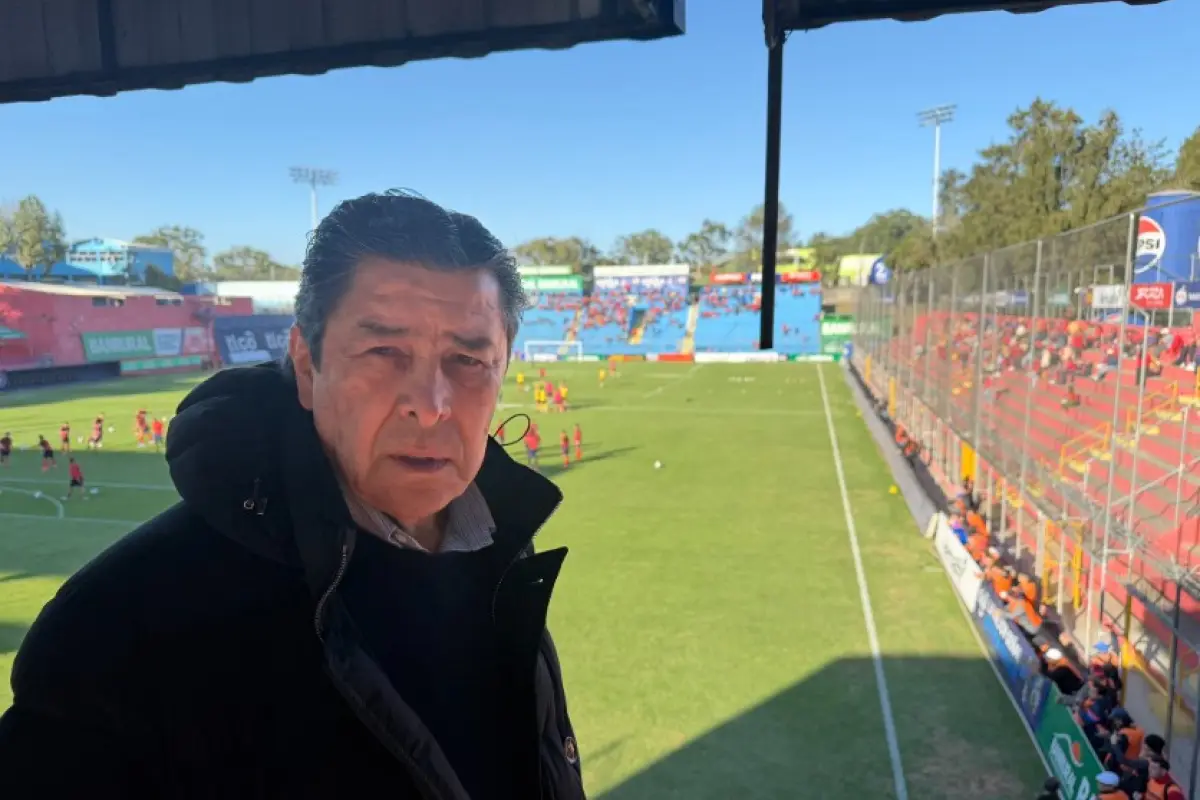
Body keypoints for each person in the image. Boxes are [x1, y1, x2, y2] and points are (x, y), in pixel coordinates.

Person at [0, 191, 584, 799]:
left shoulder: (504, 554)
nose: (432, 404)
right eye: (385, 352)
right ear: (306, 363)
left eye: (469, 359)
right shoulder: (119, 630)